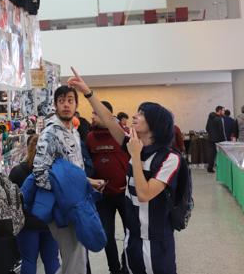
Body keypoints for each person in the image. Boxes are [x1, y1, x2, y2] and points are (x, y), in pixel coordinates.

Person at [68, 67, 181, 274]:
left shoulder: (170, 158)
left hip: (156, 241)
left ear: (155, 125)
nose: (134, 116)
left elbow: (145, 193)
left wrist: (135, 156)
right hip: (133, 237)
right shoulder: (132, 143)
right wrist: (87, 92)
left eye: (141, 114)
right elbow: (110, 121)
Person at [33, 85, 105, 274]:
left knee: (77, 257)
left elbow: (72, 172)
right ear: (55, 105)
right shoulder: (49, 134)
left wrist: (88, 181)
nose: (66, 105)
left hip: (78, 202)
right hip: (62, 206)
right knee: (74, 258)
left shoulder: (73, 131)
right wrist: (65, 192)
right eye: (62, 101)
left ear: (76, 104)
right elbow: (40, 174)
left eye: (70, 100)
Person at [86, 100, 129, 274]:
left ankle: (126, 266)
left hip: (125, 194)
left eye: (96, 113)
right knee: (106, 235)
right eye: (93, 113)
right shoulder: (89, 138)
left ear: (108, 115)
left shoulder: (122, 135)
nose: (93, 116)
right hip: (102, 197)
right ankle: (114, 269)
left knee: (130, 233)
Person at [9, 134, 60, 274]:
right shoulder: (54, 171)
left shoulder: (17, 171)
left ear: (28, 149)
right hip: (49, 222)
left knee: (29, 260)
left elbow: (11, 200)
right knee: (52, 260)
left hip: (26, 224)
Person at [205, 106, 226, 173]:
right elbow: (221, 131)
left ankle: (210, 168)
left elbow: (207, 128)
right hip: (218, 140)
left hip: (210, 138)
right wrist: (224, 140)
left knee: (211, 154)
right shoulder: (219, 119)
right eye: (223, 110)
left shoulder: (210, 118)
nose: (224, 112)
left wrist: (211, 134)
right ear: (219, 111)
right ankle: (222, 167)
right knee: (221, 154)